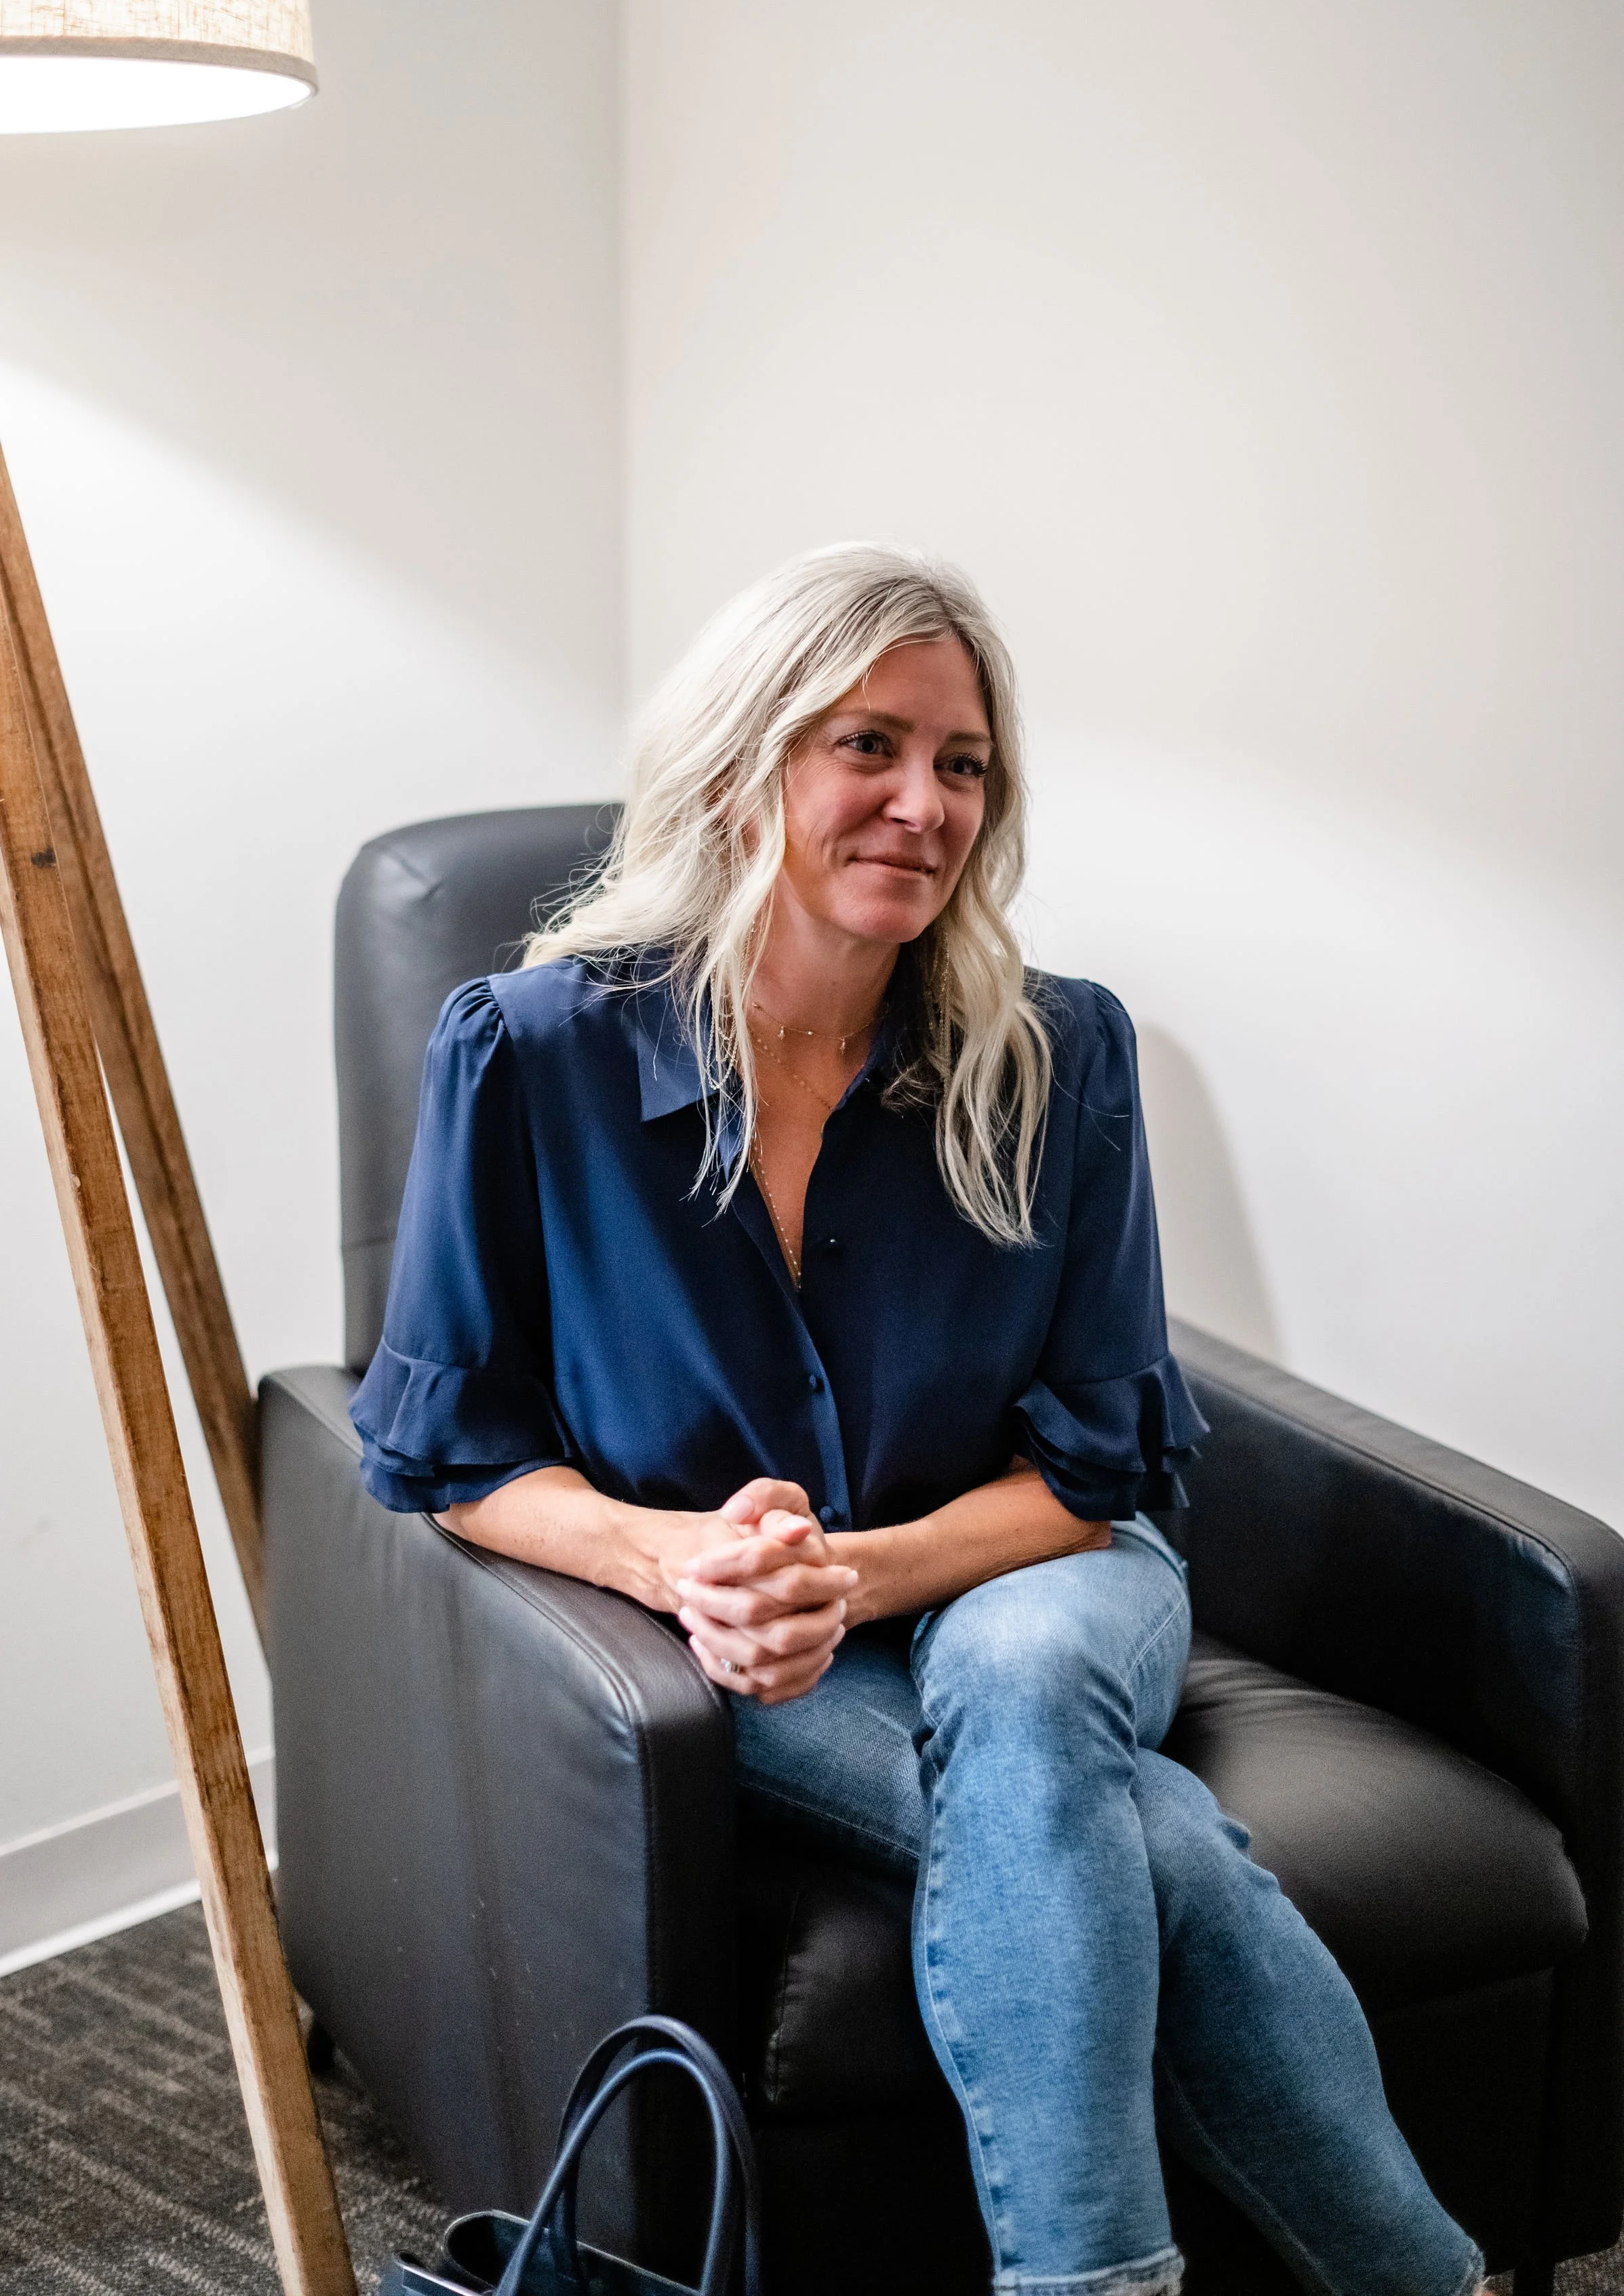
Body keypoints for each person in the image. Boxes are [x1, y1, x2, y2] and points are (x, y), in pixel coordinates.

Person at [351, 546, 1486, 2296]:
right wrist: (679, 1564)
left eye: (963, 765)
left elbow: (1098, 1470)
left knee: (1026, 1683)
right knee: (1150, 1841)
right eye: (868, 747)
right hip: (751, 1643)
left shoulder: (1061, 1055)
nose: (926, 804)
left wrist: (856, 1576)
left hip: (1042, 1571)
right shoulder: (533, 1054)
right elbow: (447, 1454)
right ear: (744, 765)